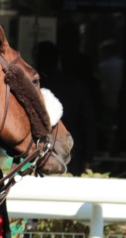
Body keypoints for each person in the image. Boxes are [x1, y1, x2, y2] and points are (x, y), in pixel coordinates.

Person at [35, 40, 96, 175]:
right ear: (59, 61)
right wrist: (88, 157)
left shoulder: (33, 88)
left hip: (35, 155)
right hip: (71, 154)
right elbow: (89, 125)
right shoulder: (77, 87)